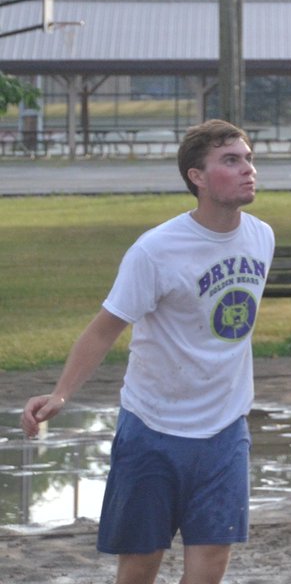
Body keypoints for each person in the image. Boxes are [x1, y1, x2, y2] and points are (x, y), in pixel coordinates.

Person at [21, 119, 273, 584]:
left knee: (212, 560)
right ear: (197, 177)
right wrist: (60, 395)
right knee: (141, 563)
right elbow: (104, 329)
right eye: (231, 160)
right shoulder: (155, 251)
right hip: (153, 428)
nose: (248, 169)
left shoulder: (261, 237)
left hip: (225, 429)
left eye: (249, 158)